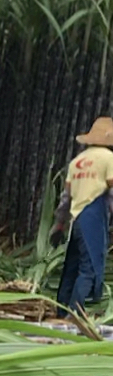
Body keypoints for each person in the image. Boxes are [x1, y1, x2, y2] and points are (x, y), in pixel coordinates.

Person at [50, 115, 113, 313]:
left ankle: (61, 311)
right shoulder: (108, 158)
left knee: (72, 268)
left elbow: (65, 199)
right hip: (93, 217)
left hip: (76, 219)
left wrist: (59, 225)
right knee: (89, 268)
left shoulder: (76, 162)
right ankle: (75, 313)